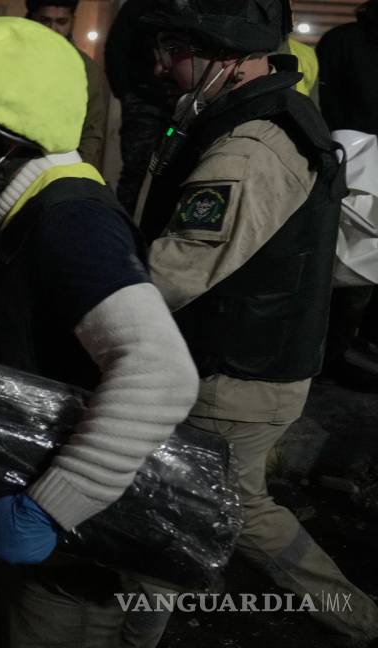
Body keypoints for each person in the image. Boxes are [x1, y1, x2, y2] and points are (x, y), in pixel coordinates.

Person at [0, 17, 199, 647]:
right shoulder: (10, 203)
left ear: (6, 133)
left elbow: (161, 373)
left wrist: (49, 507)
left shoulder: (71, 221)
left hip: (62, 541)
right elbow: (33, 304)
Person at [139, 0, 378, 645]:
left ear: (222, 52)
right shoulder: (255, 116)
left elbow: (172, 272)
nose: (162, 66)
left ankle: (358, 620)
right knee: (186, 501)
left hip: (234, 376)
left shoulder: (251, 146)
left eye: (174, 49)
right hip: (245, 363)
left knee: (205, 504)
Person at [318, 0, 378, 380]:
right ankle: (328, 353)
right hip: (351, 167)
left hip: (362, 163)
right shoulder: (344, 42)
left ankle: (355, 339)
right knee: (346, 262)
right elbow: (328, 105)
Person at [104, 0, 179, 214]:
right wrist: (126, 93)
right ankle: (123, 230)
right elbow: (115, 50)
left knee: (170, 171)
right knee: (134, 171)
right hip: (143, 101)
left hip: (174, 101)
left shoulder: (185, 7)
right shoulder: (137, 7)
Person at [25, 0, 108, 169]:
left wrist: (78, 171)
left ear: (72, 21)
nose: (53, 29)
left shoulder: (85, 68)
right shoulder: (10, 58)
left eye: (61, 22)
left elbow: (92, 128)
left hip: (60, 164)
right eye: (45, 20)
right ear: (32, 19)